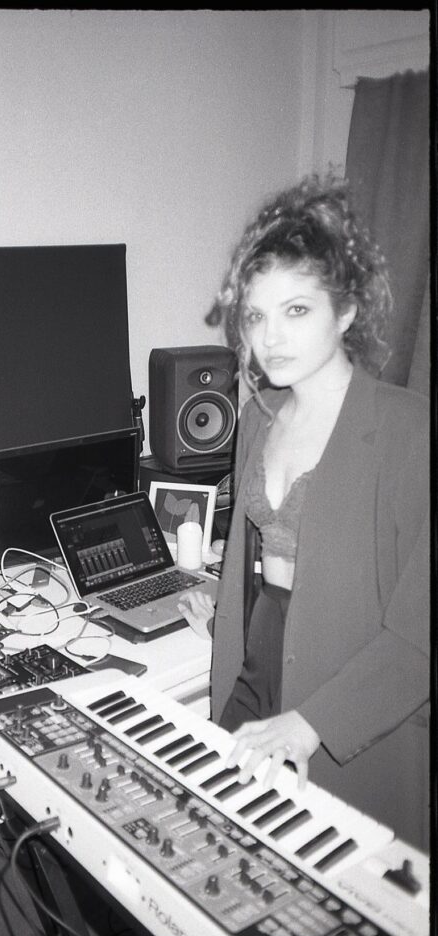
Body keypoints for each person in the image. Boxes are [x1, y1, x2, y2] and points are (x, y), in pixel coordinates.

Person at [179, 174, 430, 851]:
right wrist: (226, 608)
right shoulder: (257, 420)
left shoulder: (410, 431)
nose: (271, 338)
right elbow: (266, 564)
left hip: (350, 691)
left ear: (345, 311)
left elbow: (420, 633)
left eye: (296, 310)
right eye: (256, 316)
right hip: (255, 669)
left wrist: (314, 723)